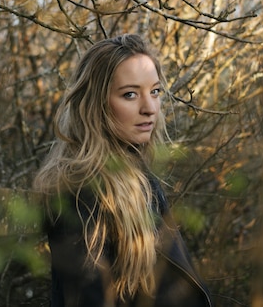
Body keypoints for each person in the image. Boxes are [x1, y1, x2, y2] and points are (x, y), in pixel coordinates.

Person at [33, 34, 213, 307]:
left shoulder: (138, 180)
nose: (149, 108)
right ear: (97, 105)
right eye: (130, 94)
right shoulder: (82, 194)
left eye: (154, 92)